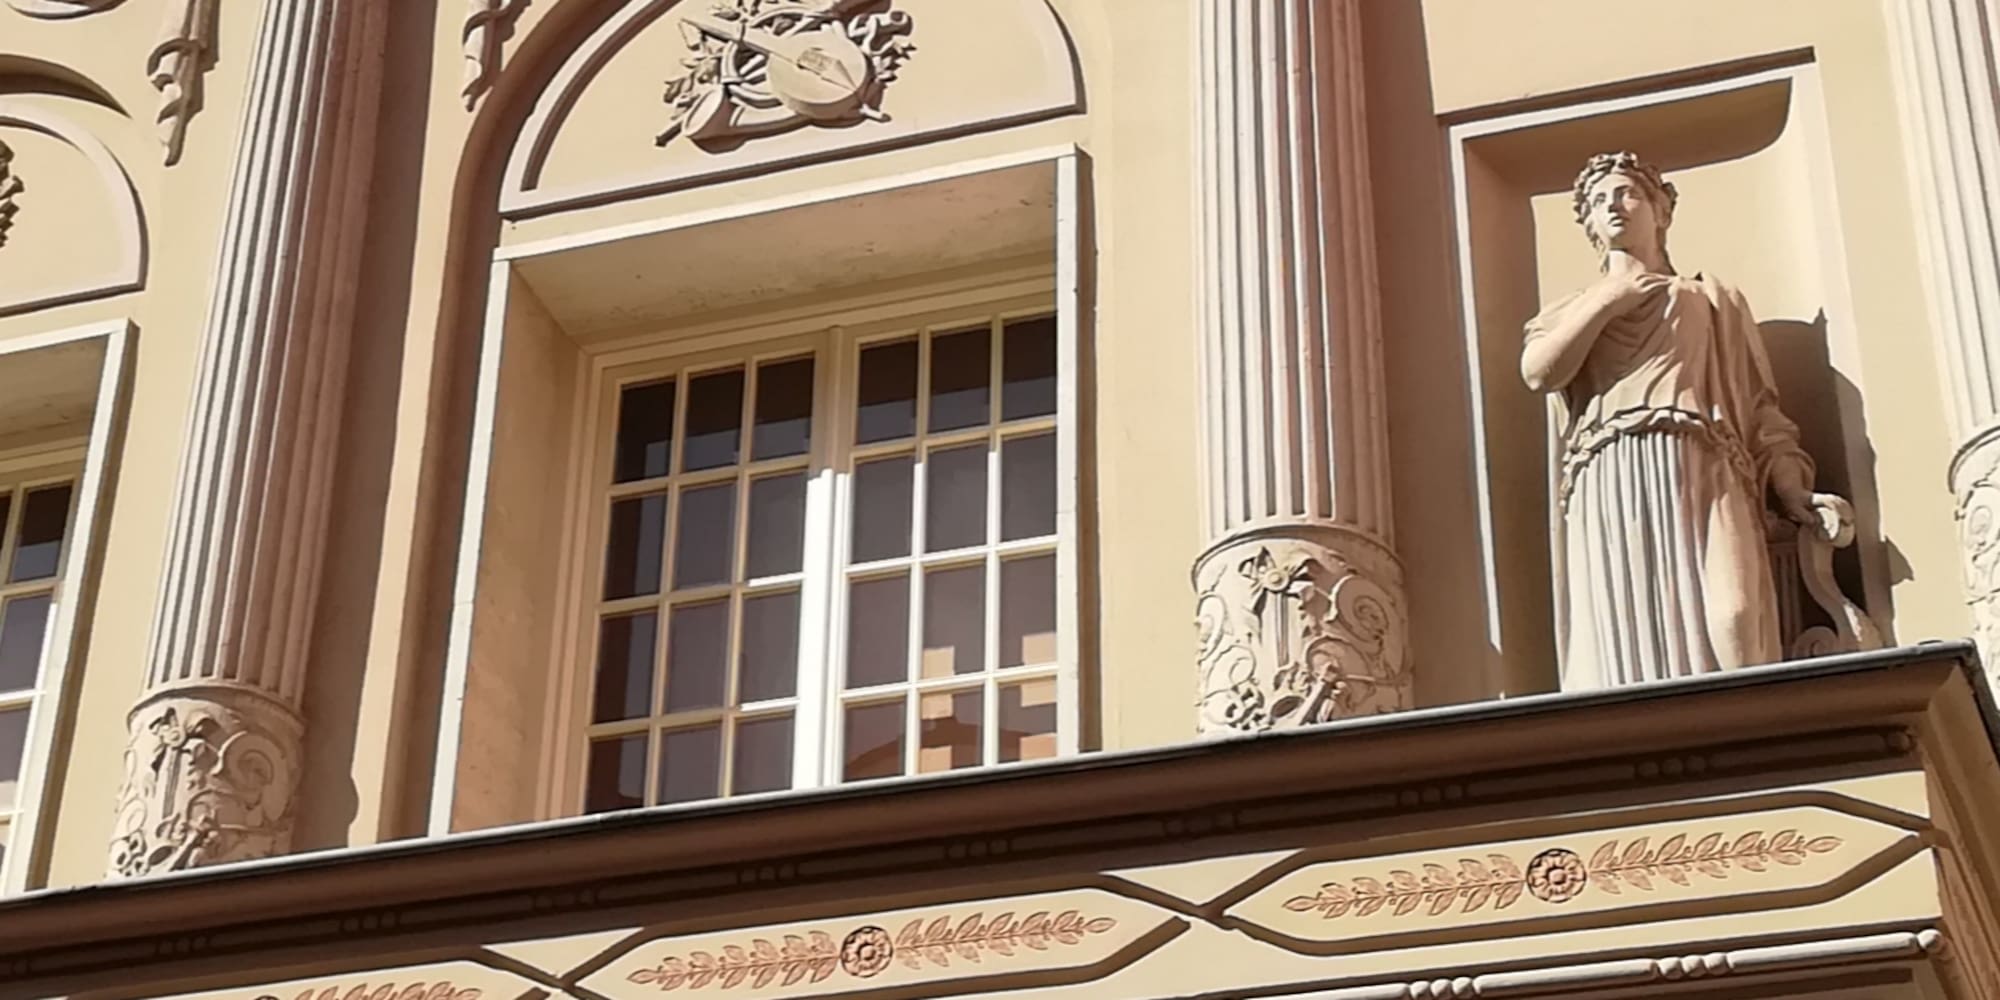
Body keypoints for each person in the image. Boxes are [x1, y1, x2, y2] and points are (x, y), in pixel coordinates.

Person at [1522, 151, 1827, 690]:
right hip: (1613, 468)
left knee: (1734, 614)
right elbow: (1539, 372)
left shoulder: (1712, 298)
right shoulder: (1576, 306)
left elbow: (1761, 409)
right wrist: (1608, 302)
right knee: (1627, 622)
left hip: (1708, 462)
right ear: (1589, 225)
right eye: (1598, 202)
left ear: (1661, 210)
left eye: (1627, 193)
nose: (1613, 206)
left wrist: (1790, 483)